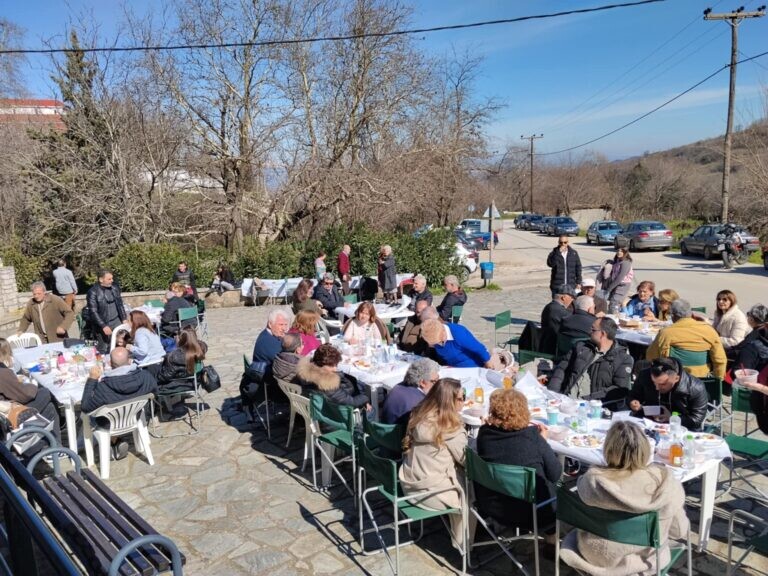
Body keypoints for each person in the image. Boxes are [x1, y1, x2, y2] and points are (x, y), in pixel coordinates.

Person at [559, 420, 689, 575]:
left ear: (607, 449)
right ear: (646, 449)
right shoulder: (666, 485)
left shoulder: (590, 482)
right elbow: (679, 532)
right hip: (645, 560)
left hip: (594, 554)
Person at [475, 389, 561, 550]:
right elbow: (555, 474)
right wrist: (543, 442)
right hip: (533, 514)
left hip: (492, 505)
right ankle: (552, 541)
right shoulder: (532, 437)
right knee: (551, 487)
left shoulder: (484, 434)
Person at [399, 378, 474, 551]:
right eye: (461, 398)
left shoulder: (418, 415)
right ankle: (464, 545)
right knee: (472, 489)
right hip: (433, 494)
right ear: (449, 402)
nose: (464, 401)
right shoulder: (451, 428)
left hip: (409, 485)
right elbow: (467, 461)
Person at [81, 347, 158, 459]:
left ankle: (113, 441)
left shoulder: (103, 387)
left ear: (110, 363)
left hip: (108, 423)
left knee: (89, 416)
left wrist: (92, 380)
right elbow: (154, 392)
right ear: (130, 360)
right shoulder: (146, 377)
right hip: (133, 415)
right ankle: (115, 442)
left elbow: (85, 407)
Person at [548, 317, 634, 405]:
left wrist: (586, 400)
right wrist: (553, 392)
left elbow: (619, 389)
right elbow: (561, 368)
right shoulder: (581, 347)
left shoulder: (623, 359)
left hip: (593, 406)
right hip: (566, 401)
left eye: (593, 330)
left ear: (602, 334)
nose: (589, 332)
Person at [646, 299, 727, 379]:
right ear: (691, 314)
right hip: (703, 379)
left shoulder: (666, 333)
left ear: (673, 316)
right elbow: (720, 360)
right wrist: (717, 380)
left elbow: (651, 356)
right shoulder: (709, 331)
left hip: (675, 380)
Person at [0, 338, 61, 442]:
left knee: (49, 407)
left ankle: (52, 445)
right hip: (10, 417)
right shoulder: (3, 373)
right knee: (46, 392)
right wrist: (33, 385)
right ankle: (54, 444)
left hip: (6, 412)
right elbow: (25, 395)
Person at [628, 357, 708, 430]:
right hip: (649, 424)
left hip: (681, 429)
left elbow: (696, 420)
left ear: (676, 378)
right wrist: (632, 402)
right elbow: (632, 396)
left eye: (662, 384)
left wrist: (672, 418)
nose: (657, 388)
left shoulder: (695, 387)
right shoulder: (645, 376)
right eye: (654, 382)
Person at [295, 344, 370, 409]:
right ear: (320, 364)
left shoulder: (306, 374)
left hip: (321, 407)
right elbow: (351, 403)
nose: (335, 369)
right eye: (331, 365)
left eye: (336, 365)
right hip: (334, 415)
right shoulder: (328, 384)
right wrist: (366, 397)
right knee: (371, 410)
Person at [157, 327, 207, 415]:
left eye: (176, 335)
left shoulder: (175, 356)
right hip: (194, 382)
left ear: (181, 339)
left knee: (153, 379)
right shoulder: (199, 351)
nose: (174, 337)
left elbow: (165, 376)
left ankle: (166, 410)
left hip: (179, 385)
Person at [379, 358, 439, 425]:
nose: (437, 384)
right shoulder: (419, 403)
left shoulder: (399, 386)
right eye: (434, 381)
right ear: (422, 383)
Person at [421, 318, 495, 369]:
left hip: (472, 367)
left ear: (443, 331)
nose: (438, 344)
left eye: (440, 341)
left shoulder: (459, 333)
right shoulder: (433, 338)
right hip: (453, 367)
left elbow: (479, 348)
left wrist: (488, 362)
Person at [86, 270, 127, 354]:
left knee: (121, 343)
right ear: (101, 279)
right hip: (103, 324)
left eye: (112, 278)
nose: (112, 280)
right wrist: (103, 325)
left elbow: (120, 304)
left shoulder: (115, 288)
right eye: (109, 279)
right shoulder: (93, 292)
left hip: (117, 321)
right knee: (104, 348)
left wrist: (124, 318)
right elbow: (93, 312)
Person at [122, 310, 165, 376]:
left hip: (151, 365)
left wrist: (131, 348)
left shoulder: (140, 333)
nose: (127, 323)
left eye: (128, 321)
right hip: (160, 361)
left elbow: (143, 351)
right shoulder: (149, 330)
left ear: (134, 322)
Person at [730, 304, 768, 371]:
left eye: (748, 314)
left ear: (751, 319)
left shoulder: (754, 336)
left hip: (747, 368)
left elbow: (738, 351)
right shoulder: (763, 331)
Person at [540, 285, 575, 355]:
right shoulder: (559, 310)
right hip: (555, 348)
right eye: (571, 297)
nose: (572, 300)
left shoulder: (550, 306)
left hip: (548, 343)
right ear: (564, 297)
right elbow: (574, 322)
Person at [601, 247, 634, 312]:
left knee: (614, 303)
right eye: (618, 251)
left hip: (622, 285)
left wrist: (609, 288)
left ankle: (615, 316)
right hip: (616, 285)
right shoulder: (618, 261)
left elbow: (619, 278)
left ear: (625, 253)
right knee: (612, 303)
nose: (619, 252)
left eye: (621, 251)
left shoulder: (626, 263)